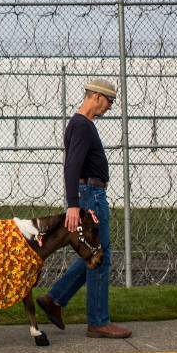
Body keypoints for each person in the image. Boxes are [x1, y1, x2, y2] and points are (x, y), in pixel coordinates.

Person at [37, 78, 132, 338]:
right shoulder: (82, 125)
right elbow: (71, 166)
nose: (110, 107)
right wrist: (73, 206)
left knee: (95, 253)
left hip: (90, 194)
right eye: (110, 101)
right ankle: (98, 322)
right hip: (90, 195)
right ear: (97, 97)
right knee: (100, 256)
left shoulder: (82, 125)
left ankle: (55, 299)